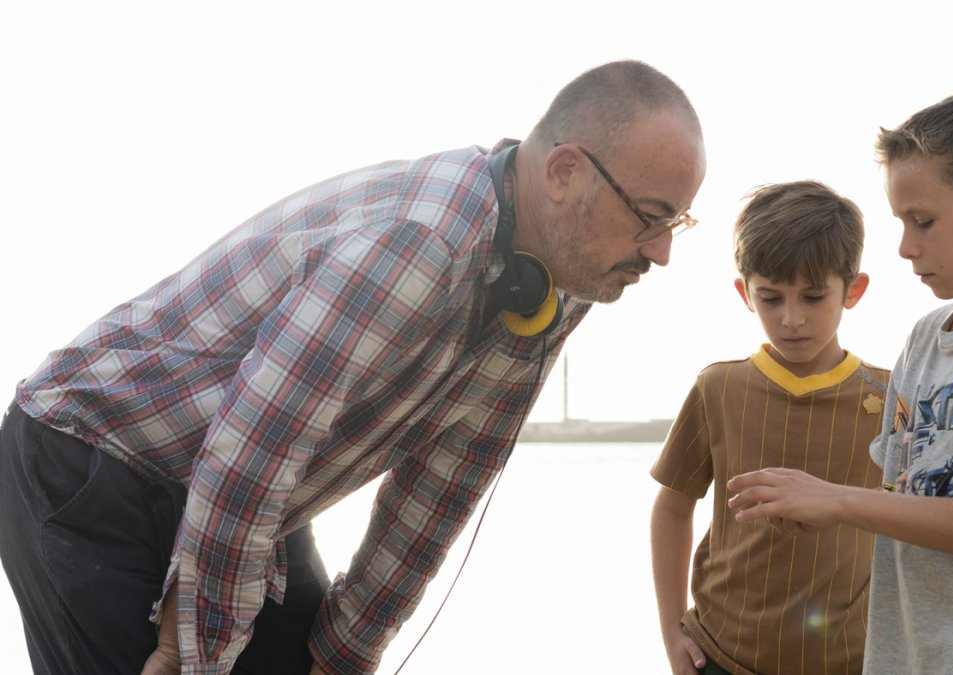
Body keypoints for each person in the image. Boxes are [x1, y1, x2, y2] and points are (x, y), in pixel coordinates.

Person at [0, 60, 706, 675]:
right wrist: (201, 652)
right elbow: (252, 453)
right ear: (564, 172)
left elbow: (442, 488)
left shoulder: (560, 282)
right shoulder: (417, 243)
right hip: (93, 453)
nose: (660, 253)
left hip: (247, 489)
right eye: (650, 217)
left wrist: (344, 653)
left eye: (675, 226)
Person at [728, 88, 953, 673]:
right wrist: (817, 508)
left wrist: (840, 501)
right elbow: (904, 497)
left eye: (923, 222)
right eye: (902, 222)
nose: (905, 247)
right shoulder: (925, 338)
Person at [650, 180, 888, 675]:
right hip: (718, 657)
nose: (791, 318)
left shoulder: (892, 399)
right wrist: (672, 631)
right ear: (744, 293)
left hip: (852, 661)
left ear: (854, 290)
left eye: (814, 296)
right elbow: (673, 508)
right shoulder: (718, 388)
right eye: (771, 298)